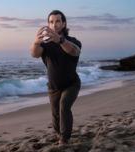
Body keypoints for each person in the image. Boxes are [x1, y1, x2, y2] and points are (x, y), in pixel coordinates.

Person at [30, 10, 82, 145]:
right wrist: (36, 42)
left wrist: (60, 40)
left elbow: (75, 51)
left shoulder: (72, 41)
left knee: (64, 105)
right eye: (51, 22)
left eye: (58, 21)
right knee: (56, 113)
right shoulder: (45, 44)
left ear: (64, 24)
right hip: (53, 86)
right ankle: (59, 134)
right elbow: (35, 54)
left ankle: (64, 140)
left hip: (71, 83)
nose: (54, 24)